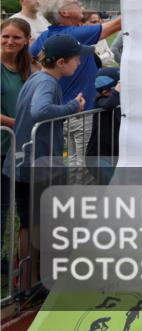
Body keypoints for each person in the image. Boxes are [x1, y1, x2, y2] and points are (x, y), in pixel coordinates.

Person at [2, 34, 90, 303]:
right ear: (61, 62)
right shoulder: (47, 82)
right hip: (33, 164)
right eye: (76, 59)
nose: (79, 63)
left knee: (33, 222)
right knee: (34, 224)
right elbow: (40, 111)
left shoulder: (39, 78)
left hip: (27, 161)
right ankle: (28, 284)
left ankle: (29, 282)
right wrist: (73, 106)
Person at [31, 0, 121, 171]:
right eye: (74, 1)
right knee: (85, 167)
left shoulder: (44, 37)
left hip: (63, 113)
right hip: (82, 113)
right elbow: (119, 23)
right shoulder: (73, 34)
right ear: (64, 13)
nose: (80, 2)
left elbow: (33, 55)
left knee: (73, 164)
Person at [1, 17, 34, 277]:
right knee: (1, 208)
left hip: (21, 148)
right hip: (3, 145)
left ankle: (15, 263)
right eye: (5, 36)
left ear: (26, 41)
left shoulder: (27, 69)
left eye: (16, 38)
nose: (10, 41)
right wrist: (20, 124)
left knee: (21, 208)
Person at [87, 70, 122, 183]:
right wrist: (117, 91)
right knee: (112, 185)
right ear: (106, 91)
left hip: (112, 154)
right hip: (97, 157)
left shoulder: (116, 100)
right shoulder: (99, 100)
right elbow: (109, 104)